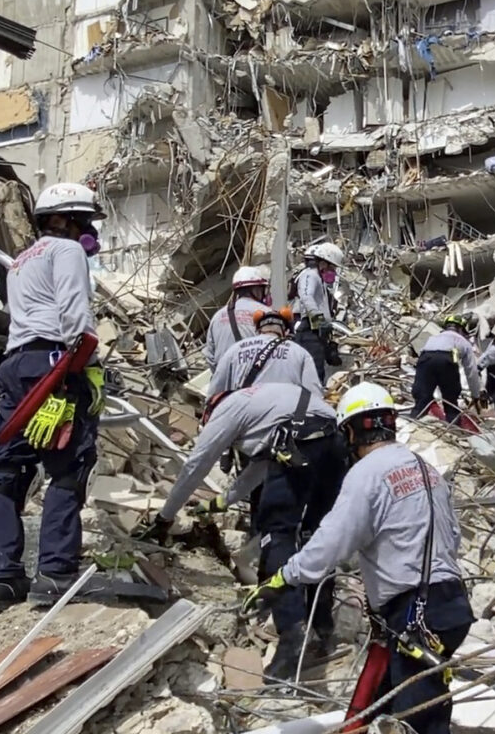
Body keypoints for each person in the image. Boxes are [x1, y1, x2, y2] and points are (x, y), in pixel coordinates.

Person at [243, 382, 473, 733]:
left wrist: (283, 578)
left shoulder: (366, 475)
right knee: (383, 705)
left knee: (419, 722)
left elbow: (330, 543)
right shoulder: (427, 471)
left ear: (350, 431)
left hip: (415, 615)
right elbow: (451, 536)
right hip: (451, 606)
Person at [134, 383, 349, 682]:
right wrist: (218, 503)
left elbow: (196, 464)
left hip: (300, 443)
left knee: (278, 533)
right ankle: (322, 623)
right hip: (335, 439)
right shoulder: (267, 405)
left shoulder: (226, 409)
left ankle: (291, 637)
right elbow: (259, 468)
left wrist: (165, 517)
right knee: (317, 532)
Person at [0, 183, 109, 613]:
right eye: (87, 220)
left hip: (16, 363)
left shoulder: (20, 261)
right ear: (68, 218)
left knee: (8, 468)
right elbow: (75, 310)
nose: (90, 230)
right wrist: (82, 360)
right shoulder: (66, 250)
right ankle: (55, 573)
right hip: (54, 360)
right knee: (68, 464)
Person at [207, 307, 323, 398]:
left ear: (258, 330)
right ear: (286, 331)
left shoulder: (234, 350)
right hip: (283, 420)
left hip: (243, 417)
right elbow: (314, 395)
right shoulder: (299, 353)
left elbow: (215, 392)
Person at [411, 314, 482, 425]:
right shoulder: (463, 342)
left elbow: (421, 360)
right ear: (461, 329)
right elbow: (471, 371)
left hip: (425, 359)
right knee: (450, 401)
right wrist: (476, 394)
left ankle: (413, 423)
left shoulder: (433, 338)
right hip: (447, 361)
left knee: (422, 398)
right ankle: (454, 430)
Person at [293, 242, 344, 383]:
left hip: (316, 333)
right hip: (309, 331)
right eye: (332, 267)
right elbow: (306, 297)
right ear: (323, 263)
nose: (333, 271)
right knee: (313, 375)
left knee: (318, 372)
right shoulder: (310, 275)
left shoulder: (319, 280)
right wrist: (319, 320)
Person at [204, 266, 270, 372]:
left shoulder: (217, 317)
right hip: (258, 381)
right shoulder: (267, 313)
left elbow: (210, 356)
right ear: (256, 289)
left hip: (227, 381)